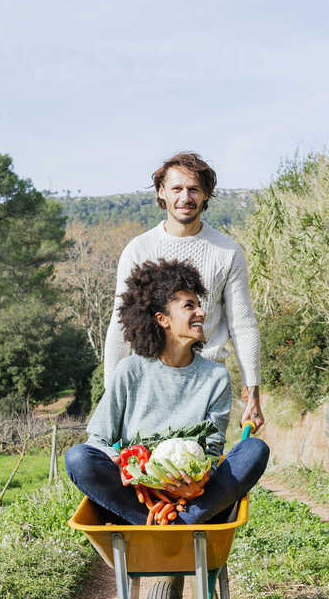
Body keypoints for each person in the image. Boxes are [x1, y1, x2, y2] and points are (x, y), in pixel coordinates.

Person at [68, 259, 269, 525]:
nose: (200, 312)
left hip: (194, 492)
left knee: (254, 449)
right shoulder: (129, 372)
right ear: (162, 319)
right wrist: (136, 475)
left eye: (199, 305)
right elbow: (98, 440)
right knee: (78, 458)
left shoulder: (215, 377)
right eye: (189, 306)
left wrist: (196, 482)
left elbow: (212, 448)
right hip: (139, 492)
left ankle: (181, 519)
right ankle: (152, 520)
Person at [103, 152, 265, 431]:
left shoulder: (227, 252)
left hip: (205, 384)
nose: (185, 197)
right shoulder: (138, 250)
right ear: (162, 193)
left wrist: (254, 392)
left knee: (198, 469)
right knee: (143, 470)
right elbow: (120, 328)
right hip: (146, 386)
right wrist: (111, 398)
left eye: (194, 189)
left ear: (206, 195)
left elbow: (243, 324)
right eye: (177, 189)